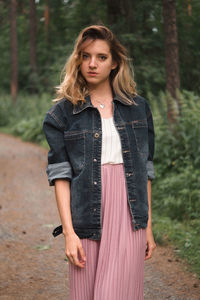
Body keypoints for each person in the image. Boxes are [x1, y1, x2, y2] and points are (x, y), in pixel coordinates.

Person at [43, 25, 156, 300]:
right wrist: (69, 234)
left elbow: (145, 171)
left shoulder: (137, 108)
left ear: (115, 62)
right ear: (78, 60)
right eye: (85, 56)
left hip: (129, 218)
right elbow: (60, 177)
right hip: (86, 218)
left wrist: (148, 227)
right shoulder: (62, 113)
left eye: (101, 57)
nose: (92, 64)